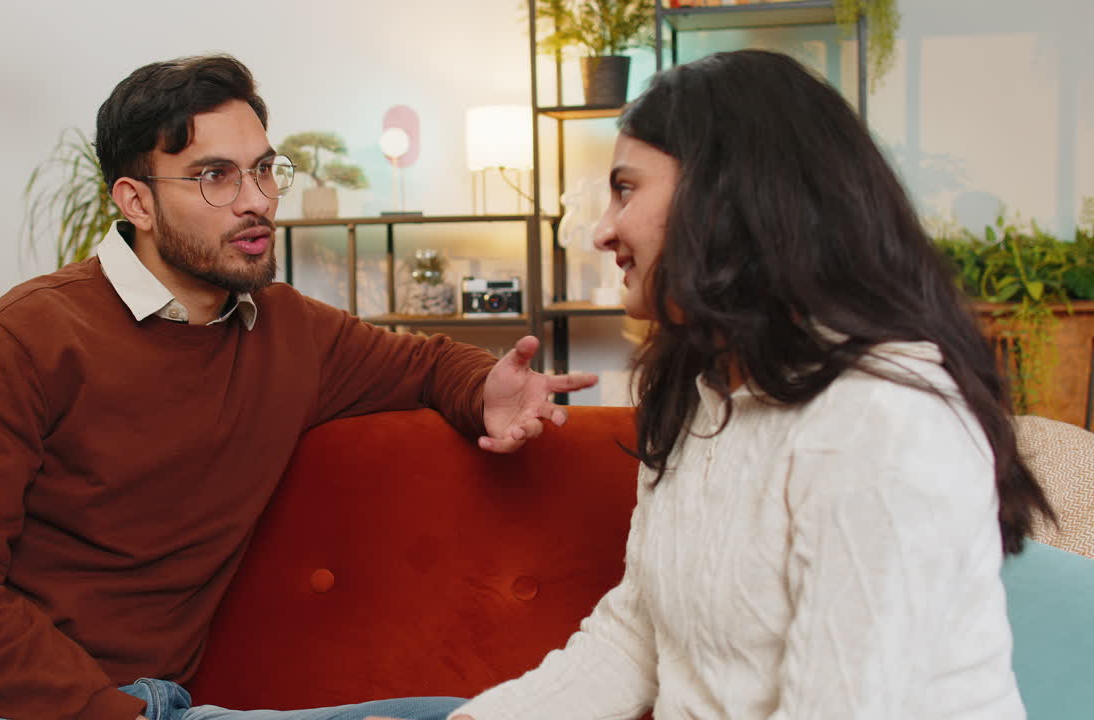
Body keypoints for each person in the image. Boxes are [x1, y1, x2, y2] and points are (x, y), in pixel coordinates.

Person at [0, 54, 596, 720]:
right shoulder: (25, 336)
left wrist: (485, 390)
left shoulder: (289, 333)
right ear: (136, 201)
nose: (256, 200)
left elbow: (428, 365)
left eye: (264, 170)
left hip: (158, 705)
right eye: (215, 176)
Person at [437, 50, 1055, 720]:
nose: (603, 230)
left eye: (626, 190)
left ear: (728, 198)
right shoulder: (698, 396)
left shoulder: (885, 416)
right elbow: (633, 643)